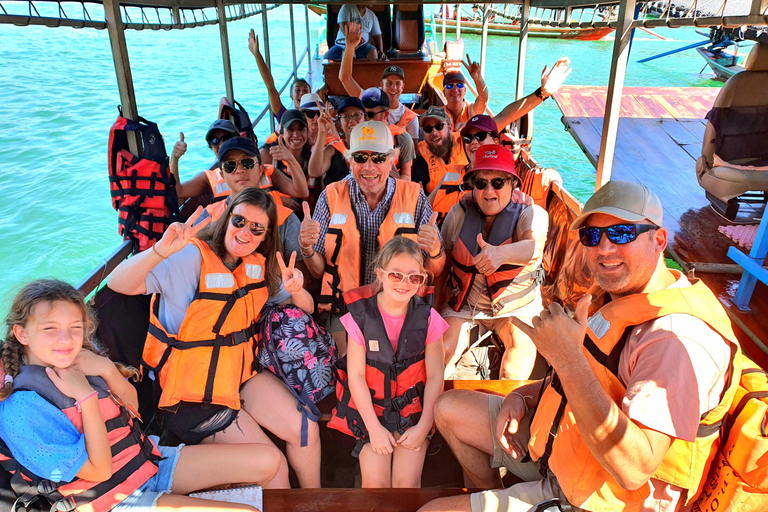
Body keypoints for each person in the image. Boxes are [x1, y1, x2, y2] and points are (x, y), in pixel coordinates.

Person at [420, 180, 740, 512]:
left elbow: (634, 470)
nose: (604, 248)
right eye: (591, 236)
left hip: (596, 497)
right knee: (449, 407)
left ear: (658, 239)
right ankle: (494, 492)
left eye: (621, 234)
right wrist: (522, 396)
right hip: (563, 447)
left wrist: (567, 358)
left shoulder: (676, 339)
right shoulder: (621, 296)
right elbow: (591, 381)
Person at [0, 279, 283, 512]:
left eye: (75, 328)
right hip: (108, 500)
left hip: (147, 462)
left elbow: (132, 409)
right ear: (22, 334)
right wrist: (85, 397)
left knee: (269, 460)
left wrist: (107, 370)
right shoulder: (22, 407)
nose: (66, 339)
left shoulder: (80, 362)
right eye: (50, 329)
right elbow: (98, 471)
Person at [107, 189, 321, 488]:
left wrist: (296, 289)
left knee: (305, 427)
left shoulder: (258, 265)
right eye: (239, 221)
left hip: (237, 376)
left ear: (265, 236)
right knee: (275, 467)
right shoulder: (189, 257)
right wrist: (160, 252)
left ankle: (316, 503)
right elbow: (117, 283)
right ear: (226, 219)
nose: (245, 232)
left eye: (256, 228)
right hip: (191, 395)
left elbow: (307, 307)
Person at [301, 121, 445, 355]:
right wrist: (307, 248)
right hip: (343, 310)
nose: (369, 167)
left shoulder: (414, 197)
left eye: (378, 158)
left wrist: (436, 249)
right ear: (349, 161)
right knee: (347, 364)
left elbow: (435, 269)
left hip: (400, 310)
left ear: (392, 160)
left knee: (395, 367)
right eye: (360, 157)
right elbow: (317, 271)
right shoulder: (330, 196)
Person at [327, 236, 447, 487]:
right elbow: (356, 376)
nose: (404, 283)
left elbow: (436, 375)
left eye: (413, 277)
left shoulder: (429, 318)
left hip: (413, 419)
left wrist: (424, 427)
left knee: (406, 488)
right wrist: (373, 428)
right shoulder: (360, 317)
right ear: (380, 274)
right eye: (395, 275)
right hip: (373, 416)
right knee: (376, 489)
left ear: (421, 280)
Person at [440, 145, 547, 381]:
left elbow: (533, 247)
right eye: (481, 183)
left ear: (512, 184)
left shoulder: (531, 213)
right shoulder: (458, 213)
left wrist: (502, 254)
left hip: (516, 308)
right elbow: (443, 265)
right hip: (465, 306)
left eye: (498, 182)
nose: (489, 190)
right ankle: (439, 412)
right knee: (441, 355)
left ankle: (504, 413)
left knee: (516, 363)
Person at [196, 136, 304, 261]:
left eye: (247, 163)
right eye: (230, 166)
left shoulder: (287, 220)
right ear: (222, 175)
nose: (240, 170)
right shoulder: (207, 217)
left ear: (260, 170)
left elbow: (299, 267)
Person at [336, 23, 418, 139]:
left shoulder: (411, 118)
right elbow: (345, 78)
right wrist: (350, 48)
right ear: (381, 85)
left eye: (397, 84)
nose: (393, 88)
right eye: (389, 83)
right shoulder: (367, 98)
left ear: (402, 87)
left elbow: (411, 152)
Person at [411, 106, 469, 225]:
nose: (434, 132)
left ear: (451, 127)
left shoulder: (468, 148)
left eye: (439, 126)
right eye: (428, 129)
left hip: (468, 219)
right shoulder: (420, 167)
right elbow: (419, 209)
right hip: (437, 224)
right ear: (423, 134)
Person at [493, 57, 572, 137]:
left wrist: (543, 93)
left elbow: (503, 117)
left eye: (481, 136)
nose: (479, 142)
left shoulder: (485, 129)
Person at [248, 29, 311, 123]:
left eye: (305, 91)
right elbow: (270, 87)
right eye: (297, 90)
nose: (301, 93)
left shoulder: (317, 118)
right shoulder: (285, 117)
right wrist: (257, 54)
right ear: (291, 96)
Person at [169, 119, 239, 201]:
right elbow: (178, 191)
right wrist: (174, 158)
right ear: (211, 147)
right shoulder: (208, 178)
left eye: (227, 139)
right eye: (215, 141)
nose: (221, 145)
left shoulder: (253, 166)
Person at [308, 96, 366, 186]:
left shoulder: (375, 148)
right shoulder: (333, 149)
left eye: (357, 115)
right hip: (336, 198)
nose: (351, 120)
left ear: (365, 120)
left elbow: (393, 175)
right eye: (346, 116)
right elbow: (314, 172)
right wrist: (322, 132)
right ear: (340, 124)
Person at [361, 87, 416, 180]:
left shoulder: (402, 138)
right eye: (363, 114)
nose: (366, 120)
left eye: (370, 115)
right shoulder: (358, 136)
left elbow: (406, 176)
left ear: (385, 115)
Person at [442, 58, 488, 131]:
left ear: (465, 90)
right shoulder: (440, 113)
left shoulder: (471, 111)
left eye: (459, 85)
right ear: (444, 92)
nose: (455, 89)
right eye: (450, 86)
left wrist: (478, 79)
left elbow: (483, 99)